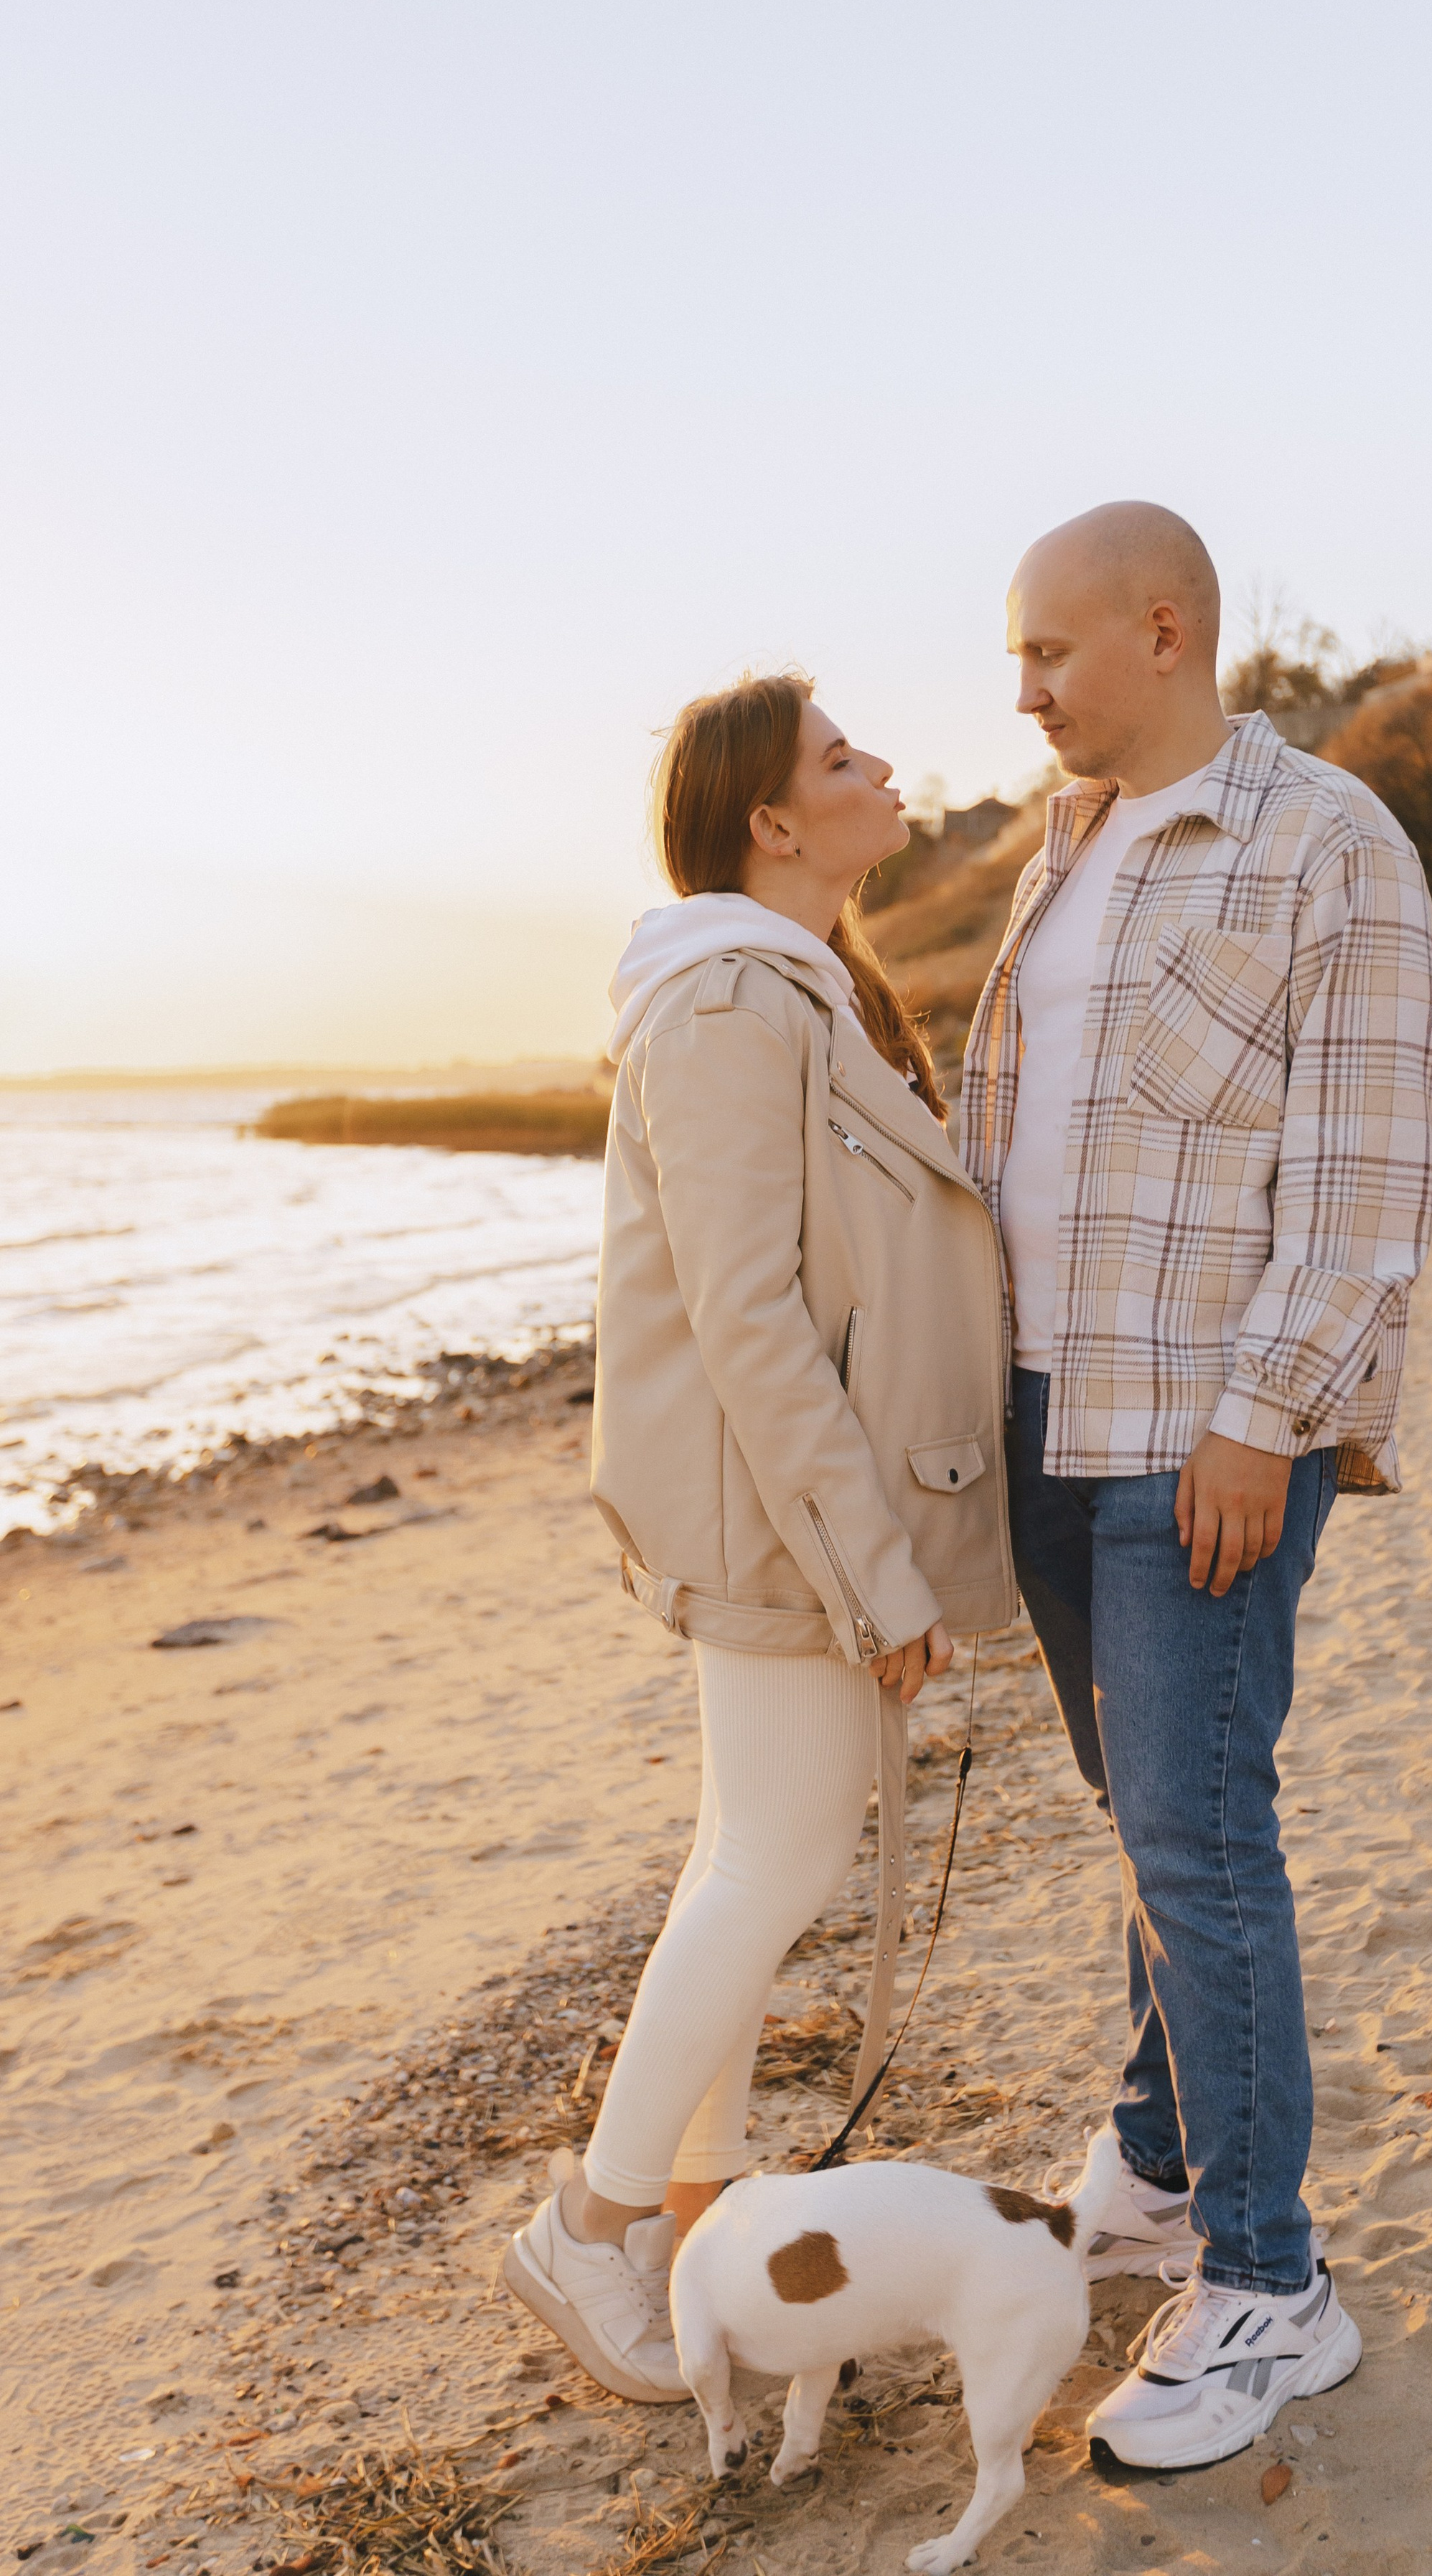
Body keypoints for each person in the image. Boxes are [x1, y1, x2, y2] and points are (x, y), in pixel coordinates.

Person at [960, 502, 1432, 2468]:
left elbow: (1363, 1169)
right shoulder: (1059, 855)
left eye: (1047, 654)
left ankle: (1267, 2284)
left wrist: (1267, 1411)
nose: (1022, 692)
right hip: (1048, 1422)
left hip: (1201, 1434)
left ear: (1162, 630)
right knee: (1142, 1820)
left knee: (1202, 1838)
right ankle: (1158, 2166)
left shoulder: (1328, 839)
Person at [504, 670, 1016, 2401]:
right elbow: (745, 1320)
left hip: (788, 1514)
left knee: (746, 1859)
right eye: (840, 756)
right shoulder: (729, 1003)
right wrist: (874, 1569)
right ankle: (589, 2227)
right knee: (774, 1867)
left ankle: (681, 2216)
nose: (882, 767)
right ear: (770, 823)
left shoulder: (801, 987)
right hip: (778, 1527)